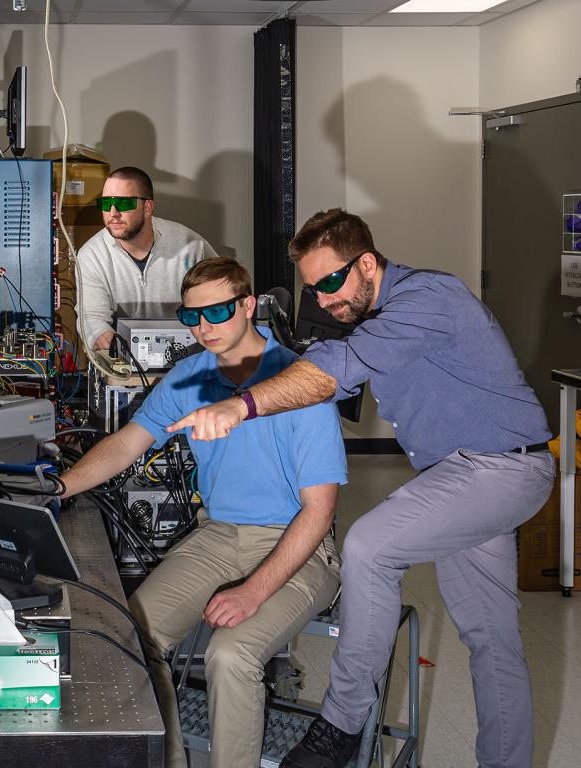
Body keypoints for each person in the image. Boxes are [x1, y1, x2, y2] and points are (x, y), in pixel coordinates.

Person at [167, 210, 554, 768]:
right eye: (312, 289)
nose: (323, 300)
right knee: (493, 642)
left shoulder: (428, 298)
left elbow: (337, 368)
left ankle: (340, 727)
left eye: (330, 282)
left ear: (367, 263)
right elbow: (327, 364)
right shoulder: (373, 314)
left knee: (370, 545)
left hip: (501, 470)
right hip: (465, 477)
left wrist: (241, 404)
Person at [61, 257, 347, 768]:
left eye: (217, 312)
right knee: (131, 636)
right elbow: (127, 445)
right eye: (192, 317)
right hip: (218, 536)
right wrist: (58, 488)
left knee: (230, 654)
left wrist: (252, 591)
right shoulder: (190, 376)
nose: (204, 328)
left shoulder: (300, 385)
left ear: (246, 305)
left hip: (299, 545)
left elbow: (319, 512)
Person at [76, 166, 218, 351]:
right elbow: (91, 316)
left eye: (124, 204)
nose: (113, 213)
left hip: (188, 358)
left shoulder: (190, 246)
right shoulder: (92, 255)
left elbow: (221, 298)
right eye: (105, 203)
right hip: (125, 362)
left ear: (148, 207)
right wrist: (101, 336)